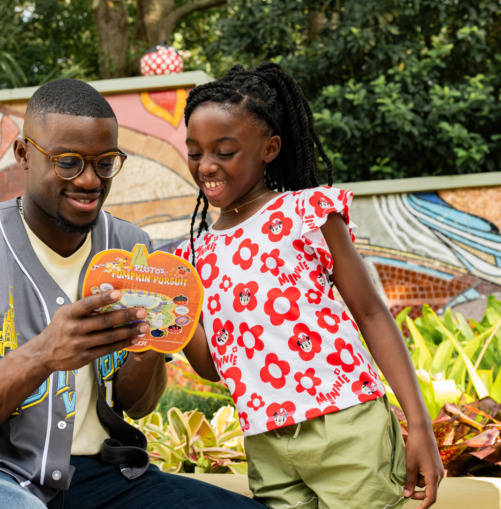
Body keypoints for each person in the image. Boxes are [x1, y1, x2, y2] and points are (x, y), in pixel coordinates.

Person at [0, 79, 261, 509]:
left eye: (105, 163)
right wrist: (45, 354)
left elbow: (136, 406)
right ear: (24, 154)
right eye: (67, 162)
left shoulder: (131, 247)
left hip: (103, 476)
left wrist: (149, 346)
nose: (89, 181)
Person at [175, 63, 444, 509]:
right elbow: (212, 367)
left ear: (270, 148)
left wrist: (419, 424)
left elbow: (372, 313)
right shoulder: (195, 254)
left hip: (346, 427)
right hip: (265, 442)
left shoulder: (307, 213)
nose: (207, 166)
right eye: (195, 152)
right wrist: (174, 316)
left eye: (225, 151)